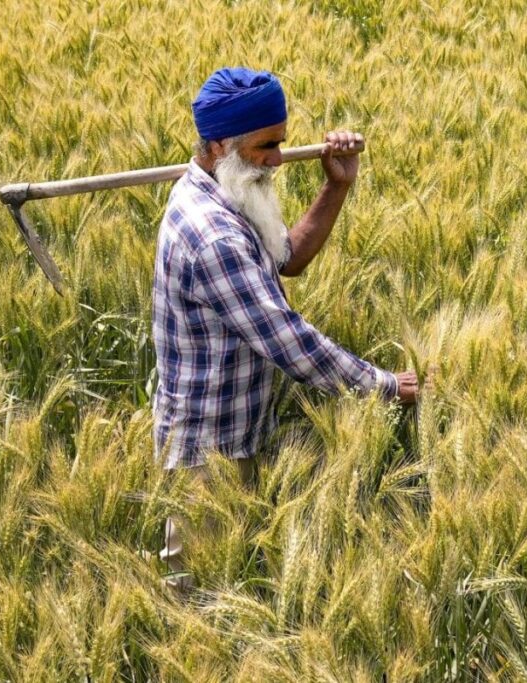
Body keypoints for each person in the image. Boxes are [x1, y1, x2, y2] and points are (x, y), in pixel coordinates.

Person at [151, 67, 418, 587]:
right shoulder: (213, 237)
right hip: (207, 454)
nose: (277, 160)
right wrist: (383, 386)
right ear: (221, 143)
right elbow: (289, 343)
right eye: (265, 147)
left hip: (238, 434)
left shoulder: (227, 193)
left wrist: (335, 186)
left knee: (231, 583)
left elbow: (285, 258)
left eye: (281, 143)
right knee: (196, 596)